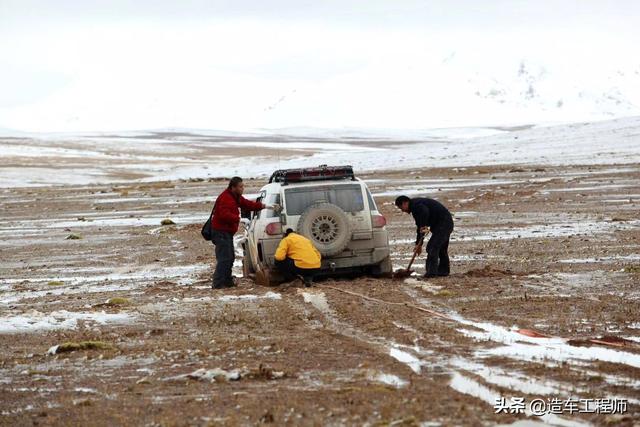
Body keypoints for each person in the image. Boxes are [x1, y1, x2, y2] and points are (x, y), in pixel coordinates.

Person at [211, 177, 266, 289]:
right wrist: (239, 218)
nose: (242, 188)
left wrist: (262, 206)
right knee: (224, 258)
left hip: (226, 232)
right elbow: (223, 214)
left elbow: (246, 204)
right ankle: (218, 283)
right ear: (233, 187)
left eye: (243, 186)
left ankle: (226, 280)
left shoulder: (235, 197)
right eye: (240, 187)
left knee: (230, 257)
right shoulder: (226, 198)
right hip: (220, 232)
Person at [395, 195, 454, 278]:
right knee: (441, 248)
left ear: (405, 203)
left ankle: (431, 273)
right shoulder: (415, 207)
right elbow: (419, 228)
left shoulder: (416, 206)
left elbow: (424, 212)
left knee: (432, 247)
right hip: (443, 224)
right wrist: (418, 244)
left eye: (401, 208)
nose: (402, 210)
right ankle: (443, 272)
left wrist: (423, 225)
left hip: (444, 224)